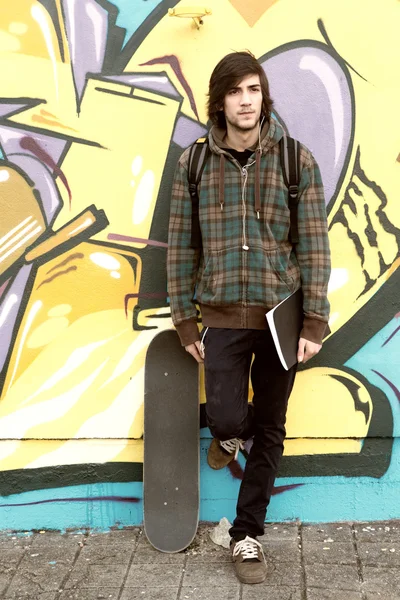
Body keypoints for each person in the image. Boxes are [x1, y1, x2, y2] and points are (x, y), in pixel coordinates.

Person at [167, 50, 331, 584]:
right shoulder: (194, 164)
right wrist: (185, 321)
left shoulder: (295, 161)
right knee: (229, 418)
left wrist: (314, 322)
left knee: (271, 426)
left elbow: (315, 246)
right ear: (220, 101)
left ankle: (247, 535)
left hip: (279, 317)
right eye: (235, 91)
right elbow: (179, 249)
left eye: (254, 90)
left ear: (264, 96)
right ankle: (227, 433)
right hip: (220, 313)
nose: (246, 100)